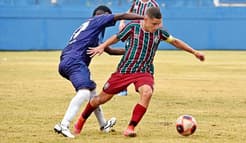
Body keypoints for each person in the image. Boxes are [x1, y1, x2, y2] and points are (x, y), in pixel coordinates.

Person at [74, 7, 205, 137]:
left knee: (147, 92)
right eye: (154, 24)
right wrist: (102, 46)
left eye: (159, 24)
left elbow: (175, 42)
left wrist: (194, 52)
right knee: (100, 100)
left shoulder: (160, 32)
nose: (156, 27)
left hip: (144, 71)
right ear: (145, 19)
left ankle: (130, 128)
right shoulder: (133, 27)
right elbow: (117, 37)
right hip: (125, 70)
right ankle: (80, 121)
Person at [53, 5, 144, 138]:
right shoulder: (98, 19)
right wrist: (144, 17)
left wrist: (134, 52)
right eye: (109, 17)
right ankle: (64, 124)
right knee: (84, 92)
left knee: (92, 92)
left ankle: (103, 124)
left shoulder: (91, 29)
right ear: (104, 15)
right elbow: (123, 15)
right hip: (75, 61)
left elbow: (110, 51)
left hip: (68, 61)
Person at [118, 0, 160, 96]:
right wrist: (122, 21)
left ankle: (148, 83)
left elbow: (158, 20)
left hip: (146, 35)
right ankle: (122, 88)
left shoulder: (153, 5)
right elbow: (130, 11)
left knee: (147, 59)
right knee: (127, 57)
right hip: (134, 33)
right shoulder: (137, 2)